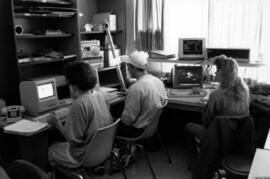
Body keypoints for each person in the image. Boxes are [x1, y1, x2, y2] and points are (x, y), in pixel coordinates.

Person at [185, 55, 250, 178]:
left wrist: (206, 106)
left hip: (217, 136)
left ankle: (197, 162)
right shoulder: (245, 90)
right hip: (238, 136)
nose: (215, 72)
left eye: (217, 70)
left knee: (189, 126)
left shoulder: (216, 95)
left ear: (222, 72)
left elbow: (206, 121)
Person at [48, 61, 113, 168]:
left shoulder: (79, 104)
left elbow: (73, 140)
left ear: (73, 83)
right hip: (102, 149)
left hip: (83, 155)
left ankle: (72, 173)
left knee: (51, 149)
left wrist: (57, 123)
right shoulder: (101, 95)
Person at [117, 51, 168, 138]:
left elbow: (127, 121)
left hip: (138, 131)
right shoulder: (157, 81)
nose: (127, 69)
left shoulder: (136, 88)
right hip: (150, 128)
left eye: (128, 66)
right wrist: (131, 93)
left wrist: (114, 121)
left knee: (108, 124)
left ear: (134, 68)